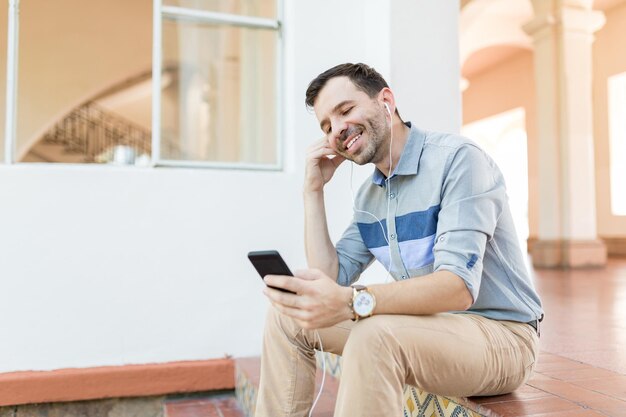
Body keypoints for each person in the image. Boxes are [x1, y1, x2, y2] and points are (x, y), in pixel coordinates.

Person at [255, 63, 543, 417]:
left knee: (374, 335)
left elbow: (457, 287)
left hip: (502, 338)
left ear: (386, 101)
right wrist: (312, 191)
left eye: (345, 110)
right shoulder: (369, 197)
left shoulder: (458, 161)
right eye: (327, 126)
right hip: (429, 328)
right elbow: (331, 280)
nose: (337, 130)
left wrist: (352, 301)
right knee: (288, 317)